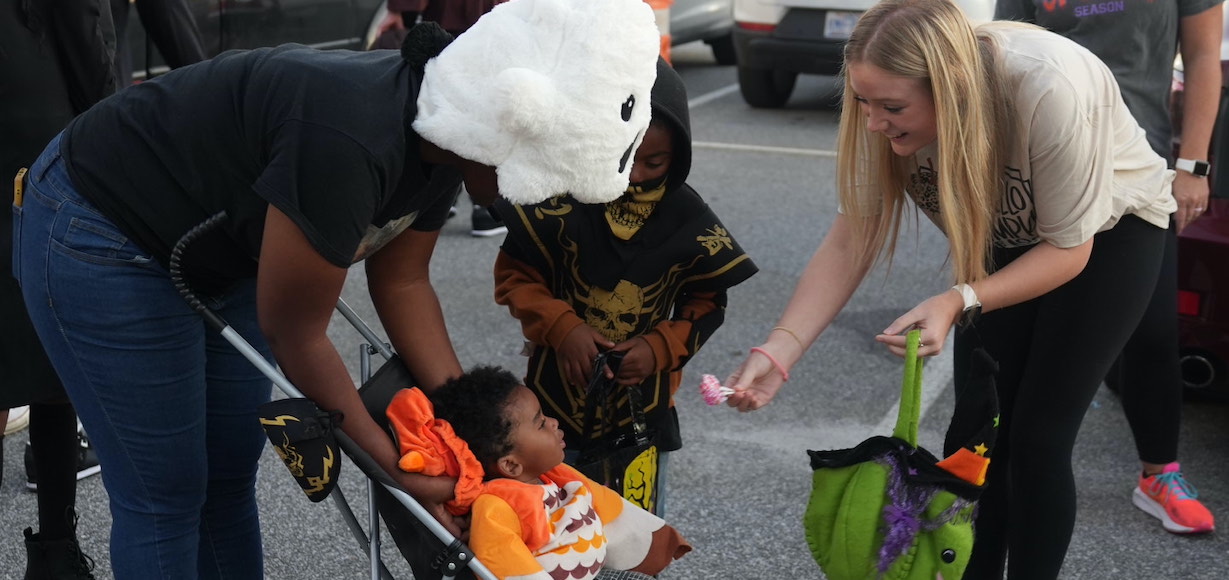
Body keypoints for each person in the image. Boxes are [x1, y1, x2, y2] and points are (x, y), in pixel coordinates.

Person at [10, 0, 663, 575]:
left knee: (229, 473)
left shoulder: (445, 134)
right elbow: (295, 333)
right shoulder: (351, 137)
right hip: (101, 231)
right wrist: (401, 471)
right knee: (167, 490)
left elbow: (403, 283)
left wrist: (480, 433)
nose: (539, 200)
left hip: (211, 242)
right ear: (507, 122)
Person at [721, 0, 1179, 578]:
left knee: (1039, 436)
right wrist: (780, 348)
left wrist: (958, 298)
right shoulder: (880, 106)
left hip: (1109, 234)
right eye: (863, 102)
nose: (873, 123)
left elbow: (1068, 249)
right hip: (1006, 233)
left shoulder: (1047, 86)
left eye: (892, 107)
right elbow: (851, 238)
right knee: (976, 439)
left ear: (952, 90)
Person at [996, 0, 1223, 536]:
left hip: (1137, 171)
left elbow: (1204, 55)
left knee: (1153, 333)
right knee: (1023, 338)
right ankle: (1009, 470)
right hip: (1046, 159)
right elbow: (1007, 52)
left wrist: (1193, 164)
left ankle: (1159, 474)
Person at [493, 57, 758, 513]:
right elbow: (516, 275)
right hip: (553, 408)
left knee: (633, 526)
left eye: (653, 162)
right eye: (623, 158)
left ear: (678, 158)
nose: (634, 176)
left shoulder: (686, 217)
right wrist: (562, 327)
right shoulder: (564, 198)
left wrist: (659, 347)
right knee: (553, 521)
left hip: (643, 409)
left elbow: (708, 299)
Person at [1, 0, 119, 576]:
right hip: (39, 147)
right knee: (53, 355)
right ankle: (54, 552)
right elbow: (92, 64)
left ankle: (55, 552)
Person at [387, 366, 691, 580]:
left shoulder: (553, 474)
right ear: (511, 465)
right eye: (540, 423)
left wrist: (651, 541)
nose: (554, 422)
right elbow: (506, 561)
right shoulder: (497, 506)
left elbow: (606, 504)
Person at [377, 0, 509, 237]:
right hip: (501, 15)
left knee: (444, 91)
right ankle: (484, 205)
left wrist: (399, 8)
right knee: (490, 98)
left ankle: (440, 193)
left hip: (450, 13)